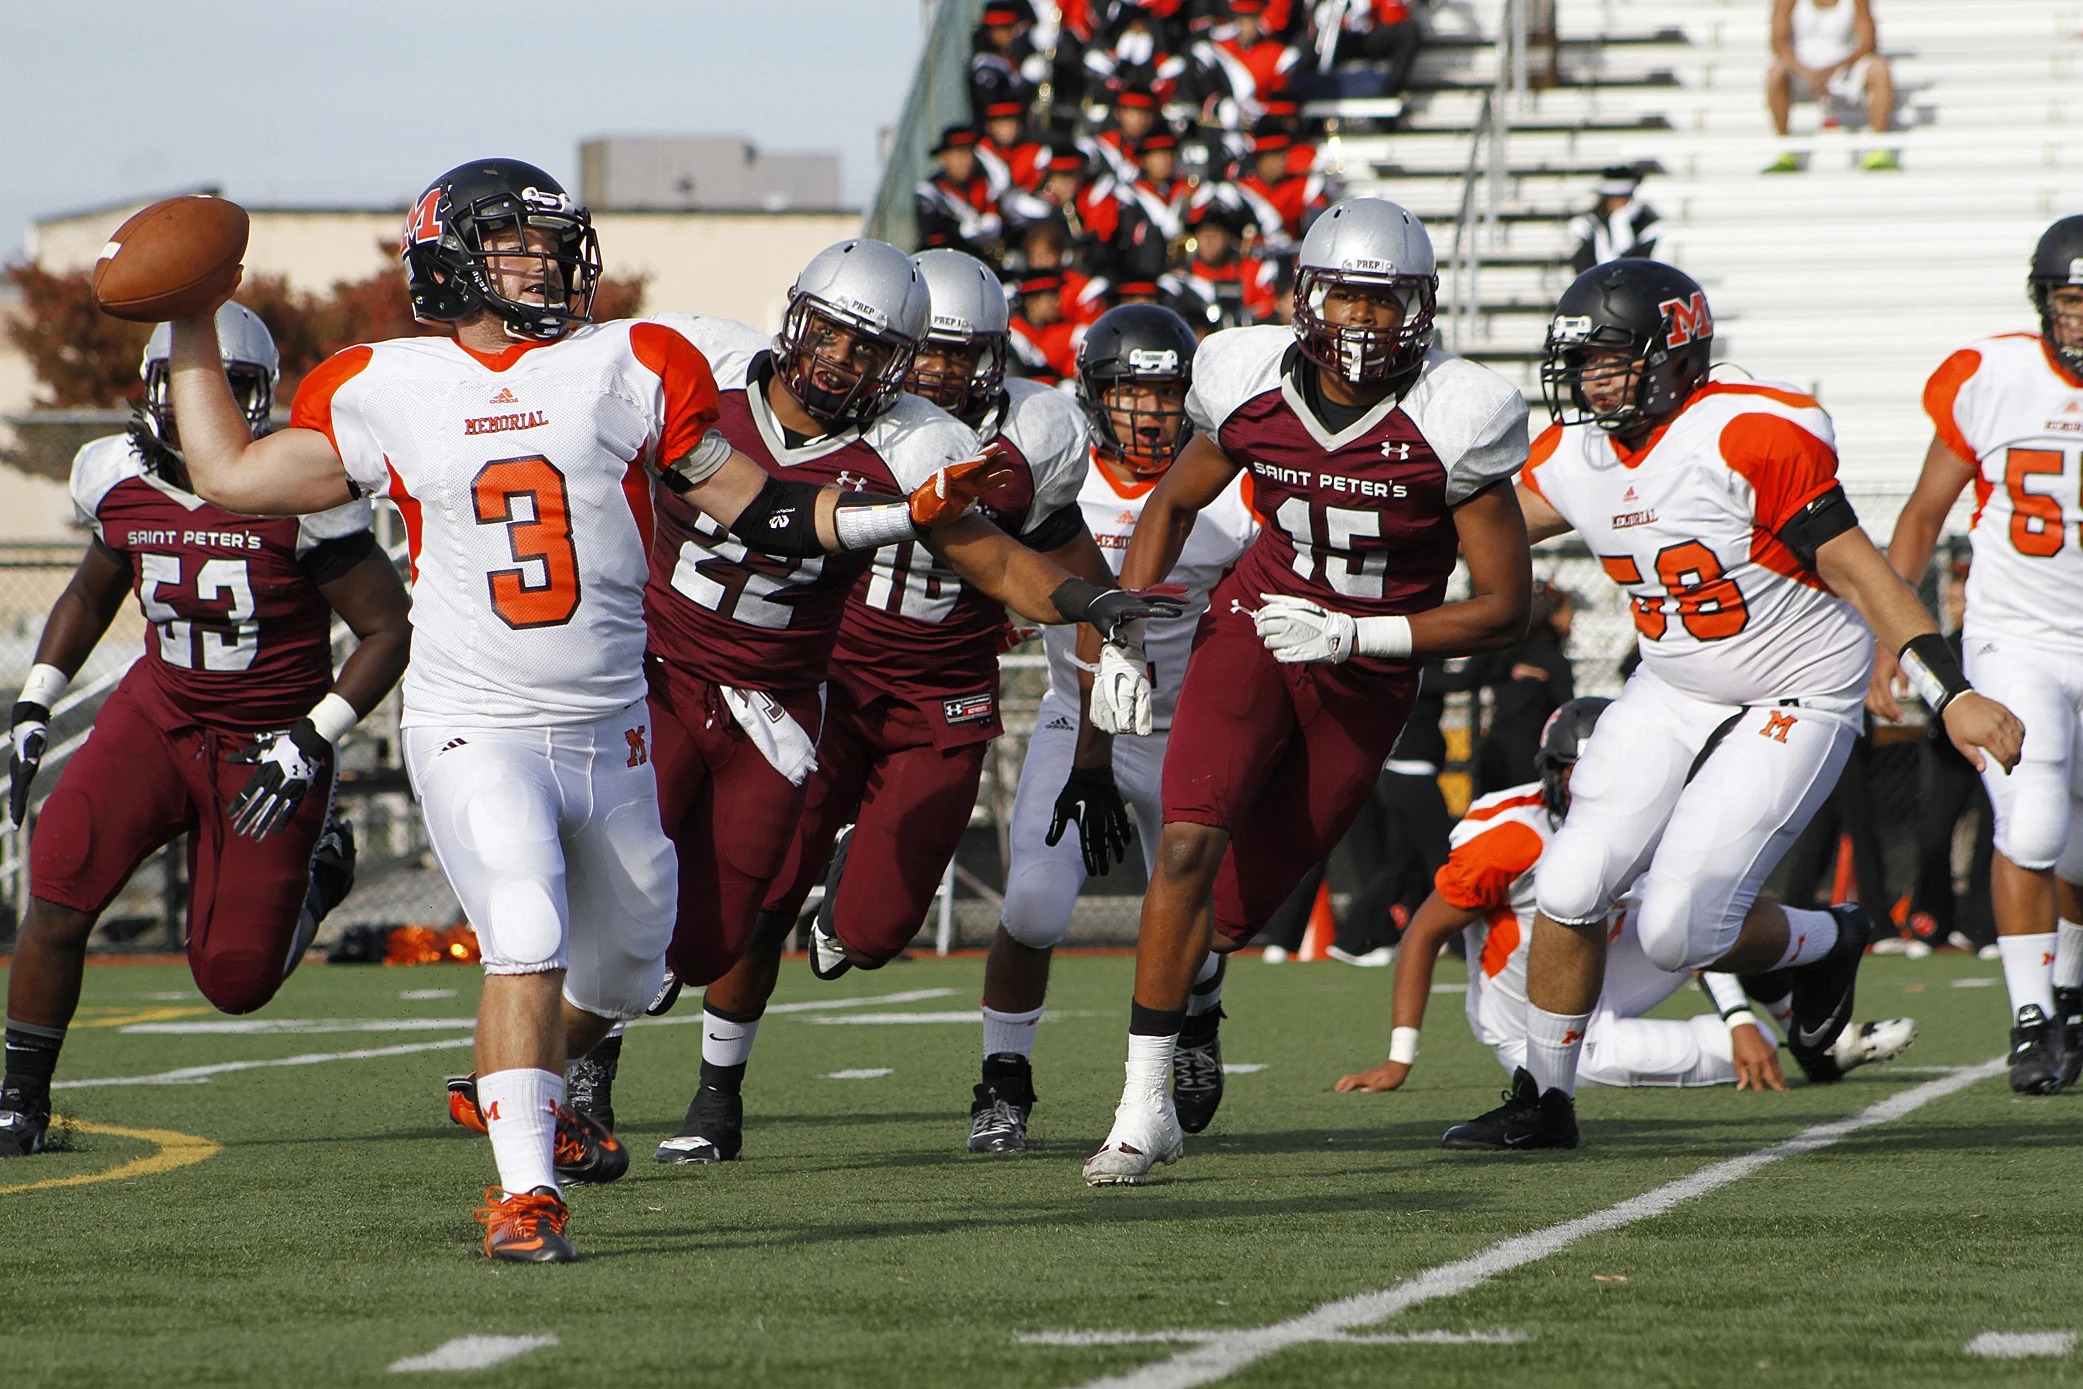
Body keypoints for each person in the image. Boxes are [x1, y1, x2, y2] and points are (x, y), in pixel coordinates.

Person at [155, 160, 1018, 1261]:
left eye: (556, 243)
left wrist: (902, 514)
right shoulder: (386, 382)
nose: (552, 264)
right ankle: (524, 1198)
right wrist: (191, 321)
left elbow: (760, 509)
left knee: (634, 963)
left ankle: (521, 1085)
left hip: (614, 724)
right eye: (520, 243)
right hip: (477, 717)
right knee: (523, 927)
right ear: (451, 255)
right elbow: (228, 471)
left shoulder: (631, 363)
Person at [1442, 258, 2023, 1152]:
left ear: (1675, 355)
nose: (1591, 381)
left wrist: (1949, 692)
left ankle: (1826, 939)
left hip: (1796, 687)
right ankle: (1544, 1099)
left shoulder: (1746, 436)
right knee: (1569, 881)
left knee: (1678, 930)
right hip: (1673, 684)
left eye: (1611, 359)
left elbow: (1858, 570)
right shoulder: (1577, 452)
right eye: (1582, 362)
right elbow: (1475, 535)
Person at [632, 239, 1183, 1165]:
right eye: (928, 350)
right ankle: (700, 1094)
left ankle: (853, 867)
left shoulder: (995, 436)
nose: (940, 370)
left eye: (960, 355)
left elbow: (1041, 564)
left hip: (939, 694)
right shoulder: (773, 387)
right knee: (736, 902)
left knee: (871, 934)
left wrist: (1101, 631)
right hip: (823, 678)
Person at [1080, 196, 1535, 1184]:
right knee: (1187, 843)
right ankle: (1140, 1108)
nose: (1365, 324)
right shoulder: (1247, 384)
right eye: (1348, 299)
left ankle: (1200, 987)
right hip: (1252, 630)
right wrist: (1124, 635)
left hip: (1366, 675)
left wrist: (1352, 631)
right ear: (1305, 298)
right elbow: (1172, 500)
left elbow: (1505, 608)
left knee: (1233, 915)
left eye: (1386, 304)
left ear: (1418, 310)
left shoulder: (1457, 416)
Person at [0, 306, 410, 1159]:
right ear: (152, 389)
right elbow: (89, 588)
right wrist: (37, 700)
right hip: (160, 713)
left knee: (234, 981)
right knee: (61, 875)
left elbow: (388, 629)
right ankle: (20, 1100)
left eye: (229, 387)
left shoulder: (299, 489)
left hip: (267, 740)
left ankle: (323, 864)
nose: (200, 407)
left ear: (260, 400)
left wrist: (314, 735)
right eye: (186, 385)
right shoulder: (114, 473)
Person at [971, 304, 1259, 1153]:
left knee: (1198, 921)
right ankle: (1002, 1084)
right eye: (1129, 392)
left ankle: (1198, 1015)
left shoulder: (1231, 488)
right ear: (1094, 398)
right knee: (1031, 904)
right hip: (1076, 714)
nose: (1149, 411)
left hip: (1187, 726)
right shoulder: (1058, 477)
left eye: (1167, 393)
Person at [1336, 699, 1919, 1095]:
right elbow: (1422, 934)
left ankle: (1819, 1040)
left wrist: (1738, 1009)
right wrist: (1399, 1058)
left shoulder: (1645, 811)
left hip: (1612, 964)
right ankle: (1789, 1030)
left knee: (1710, 908)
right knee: (1744, 1045)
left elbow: (1691, 923)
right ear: (1552, 773)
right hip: (1532, 1022)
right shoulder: (1511, 838)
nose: (1592, 784)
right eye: (1577, 772)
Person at [1875, 215, 2083, 1092]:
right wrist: (1893, 639)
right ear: (2044, 302)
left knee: (2070, 842)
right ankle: (2031, 1018)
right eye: (2072, 302)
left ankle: (2068, 998)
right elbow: (1923, 514)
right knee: (2031, 821)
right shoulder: (1989, 376)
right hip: (2016, 634)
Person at [1468, 579, 1574, 795]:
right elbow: (1566, 712)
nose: (1572, 619)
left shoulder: (1506, 652)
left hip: (1493, 751)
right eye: (1568, 611)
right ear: (1552, 616)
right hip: (1530, 762)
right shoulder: (1554, 660)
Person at [1765, 0, 1898, 172]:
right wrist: (1807, 72)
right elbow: (1778, 43)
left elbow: (1867, 42)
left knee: (1880, 68)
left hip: (1843, 69)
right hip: (1802, 71)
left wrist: (1834, 70)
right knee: (1776, 72)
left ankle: (1878, 148)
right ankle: (1784, 150)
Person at [916, 126, 1004, 262]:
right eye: (959, 154)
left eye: (970, 153)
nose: (966, 161)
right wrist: (959, 231)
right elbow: (932, 236)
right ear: (944, 157)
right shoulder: (930, 191)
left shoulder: (986, 184)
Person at [1566, 168, 1660, 274]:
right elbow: (1582, 265)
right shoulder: (1587, 224)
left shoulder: (1647, 225)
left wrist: (1621, 223)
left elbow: (1643, 263)